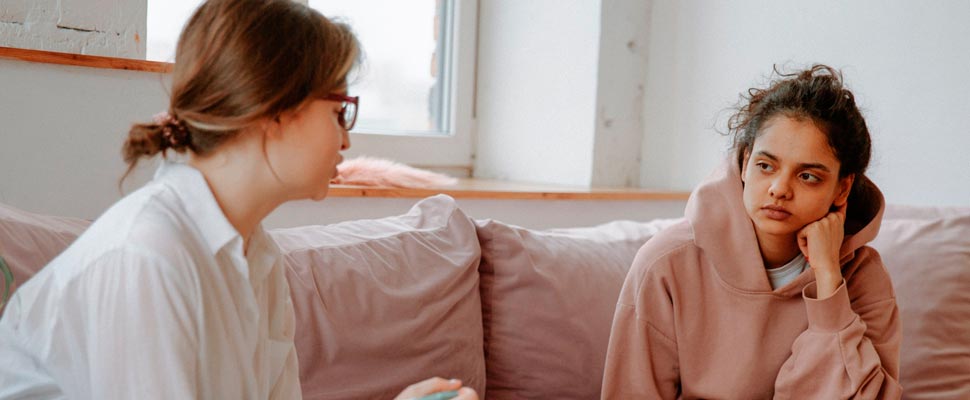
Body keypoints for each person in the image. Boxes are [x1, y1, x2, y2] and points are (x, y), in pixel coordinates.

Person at [0, 1, 478, 399]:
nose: (346, 141)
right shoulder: (148, 255)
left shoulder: (257, 255)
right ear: (273, 109)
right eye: (339, 112)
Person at [601, 65, 901, 399]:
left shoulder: (863, 276)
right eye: (766, 166)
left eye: (808, 176)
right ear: (745, 163)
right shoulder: (666, 264)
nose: (779, 189)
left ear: (842, 189)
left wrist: (829, 281)